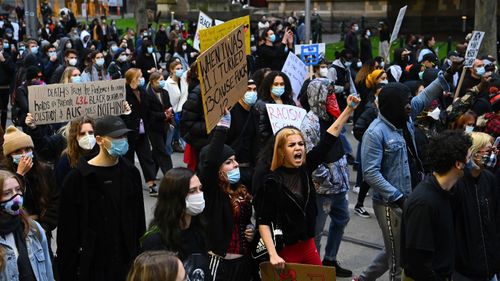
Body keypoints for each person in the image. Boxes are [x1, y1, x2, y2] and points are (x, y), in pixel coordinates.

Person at [354, 59, 461, 281]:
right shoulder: (375, 133)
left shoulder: (406, 116)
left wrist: (447, 75)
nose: (410, 105)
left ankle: (363, 279)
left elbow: (424, 97)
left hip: (412, 195)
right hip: (390, 205)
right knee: (398, 261)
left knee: (398, 247)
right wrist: (399, 198)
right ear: (393, 105)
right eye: (405, 102)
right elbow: (371, 173)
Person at [256, 95, 360, 269]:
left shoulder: (305, 167)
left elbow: (328, 139)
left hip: (308, 246)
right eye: (291, 145)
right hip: (285, 251)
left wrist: (348, 109)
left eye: (301, 144)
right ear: (281, 151)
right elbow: (263, 221)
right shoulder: (271, 182)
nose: (298, 148)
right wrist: (273, 255)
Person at [57, 115, 146, 281]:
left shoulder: (131, 174)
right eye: (116, 137)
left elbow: (139, 221)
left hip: (126, 263)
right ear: (99, 140)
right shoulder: (77, 179)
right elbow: (67, 234)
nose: (122, 141)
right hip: (92, 267)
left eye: (124, 136)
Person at [401, 130, 472, 281]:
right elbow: (418, 263)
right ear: (458, 164)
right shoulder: (424, 203)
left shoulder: (450, 190)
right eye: (469, 156)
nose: (471, 161)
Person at [197, 112, 255, 280]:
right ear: (217, 168)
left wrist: (251, 230)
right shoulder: (210, 192)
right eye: (228, 162)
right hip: (218, 263)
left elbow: (243, 221)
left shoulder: (241, 189)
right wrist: (222, 128)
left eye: (235, 160)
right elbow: (210, 162)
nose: (236, 164)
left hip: (243, 262)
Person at [141, 168, 210, 280]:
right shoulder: (156, 240)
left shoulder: (198, 228)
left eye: (200, 189)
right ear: (175, 197)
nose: (199, 195)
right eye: (192, 191)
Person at [451, 132, 500, 281]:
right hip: (465, 270)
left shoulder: (489, 179)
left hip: (490, 266)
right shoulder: (457, 184)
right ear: (473, 152)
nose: (493, 155)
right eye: (488, 151)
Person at [2, 126, 58, 238]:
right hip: (15, 232)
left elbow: (55, 200)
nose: (24, 154)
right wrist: (19, 175)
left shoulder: (44, 170)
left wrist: (45, 226)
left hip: (41, 231)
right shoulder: (3, 174)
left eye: (27, 149)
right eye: (18, 151)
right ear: (9, 156)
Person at [0, 170, 54, 281]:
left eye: (18, 189)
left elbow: (48, 273)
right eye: (7, 193)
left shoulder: (34, 229)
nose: (16, 197)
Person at [122, 68, 158, 195]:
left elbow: (148, 109)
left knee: (147, 157)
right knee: (128, 159)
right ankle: (129, 184)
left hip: (142, 131)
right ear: (132, 79)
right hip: (129, 132)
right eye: (139, 77)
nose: (142, 79)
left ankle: (151, 183)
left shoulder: (142, 91)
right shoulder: (123, 93)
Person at [145, 72, 173, 175]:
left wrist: (170, 113)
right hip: (153, 127)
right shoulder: (147, 94)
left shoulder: (165, 92)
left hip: (164, 126)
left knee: (157, 151)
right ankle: (170, 174)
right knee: (162, 151)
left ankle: (151, 172)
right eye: (160, 80)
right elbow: (148, 112)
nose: (162, 82)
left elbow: (168, 105)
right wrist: (163, 115)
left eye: (163, 79)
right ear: (153, 82)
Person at [164, 60, 189, 153]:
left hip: (183, 110)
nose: (180, 70)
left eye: (181, 68)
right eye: (177, 69)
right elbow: (166, 100)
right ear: (171, 70)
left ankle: (178, 143)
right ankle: (172, 144)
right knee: (174, 130)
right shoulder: (167, 84)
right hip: (173, 111)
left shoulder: (184, 79)